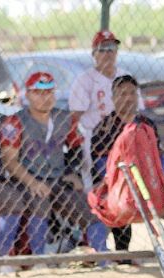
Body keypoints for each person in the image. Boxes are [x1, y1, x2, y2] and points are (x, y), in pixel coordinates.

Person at [0, 71, 109, 263]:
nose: (45, 98)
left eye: (49, 92)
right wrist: (33, 183)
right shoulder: (15, 121)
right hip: (25, 178)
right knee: (40, 202)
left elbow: (75, 149)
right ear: (28, 95)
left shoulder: (64, 119)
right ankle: (38, 259)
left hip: (56, 178)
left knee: (90, 210)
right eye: (38, 93)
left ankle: (103, 256)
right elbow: (10, 161)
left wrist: (72, 173)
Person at [91, 74, 164, 256]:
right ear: (113, 98)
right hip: (121, 190)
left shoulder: (147, 124)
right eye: (122, 94)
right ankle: (124, 256)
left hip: (151, 188)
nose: (128, 98)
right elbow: (99, 167)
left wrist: (158, 182)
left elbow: (159, 159)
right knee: (118, 208)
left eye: (132, 93)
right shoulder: (104, 128)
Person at [69, 30, 139, 191]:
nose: (108, 53)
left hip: (125, 133)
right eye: (103, 49)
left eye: (111, 48)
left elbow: (137, 108)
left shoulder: (125, 76)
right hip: (95, 138)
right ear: (94, 53)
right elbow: (75, 116)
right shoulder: (85, 79)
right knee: (96, 183)